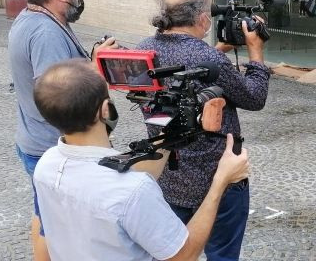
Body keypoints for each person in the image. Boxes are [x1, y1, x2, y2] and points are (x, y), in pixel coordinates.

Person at [31, 60, 250, 260]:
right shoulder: (133, 191)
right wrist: (221, 181)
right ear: (105, 110)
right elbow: (183, 254)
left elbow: (44, 232)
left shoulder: (46, 165)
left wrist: (171, 138)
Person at [7, 0, 128, 260]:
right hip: (50, 148)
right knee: (53, 223)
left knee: (43, 213)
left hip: (33, 143)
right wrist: (99, 64)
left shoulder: (35, 14)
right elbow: (60, 96)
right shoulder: (45, 33)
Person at [136, 0, 270, 260]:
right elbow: (254, 98)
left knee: (174, 254)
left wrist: (217, 52)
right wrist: (256, 52)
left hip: (169, 179)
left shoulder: (143, 49)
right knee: (221, 254)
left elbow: (183, 65)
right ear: (201, 18)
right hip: (218, 181)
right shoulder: (206, 57)